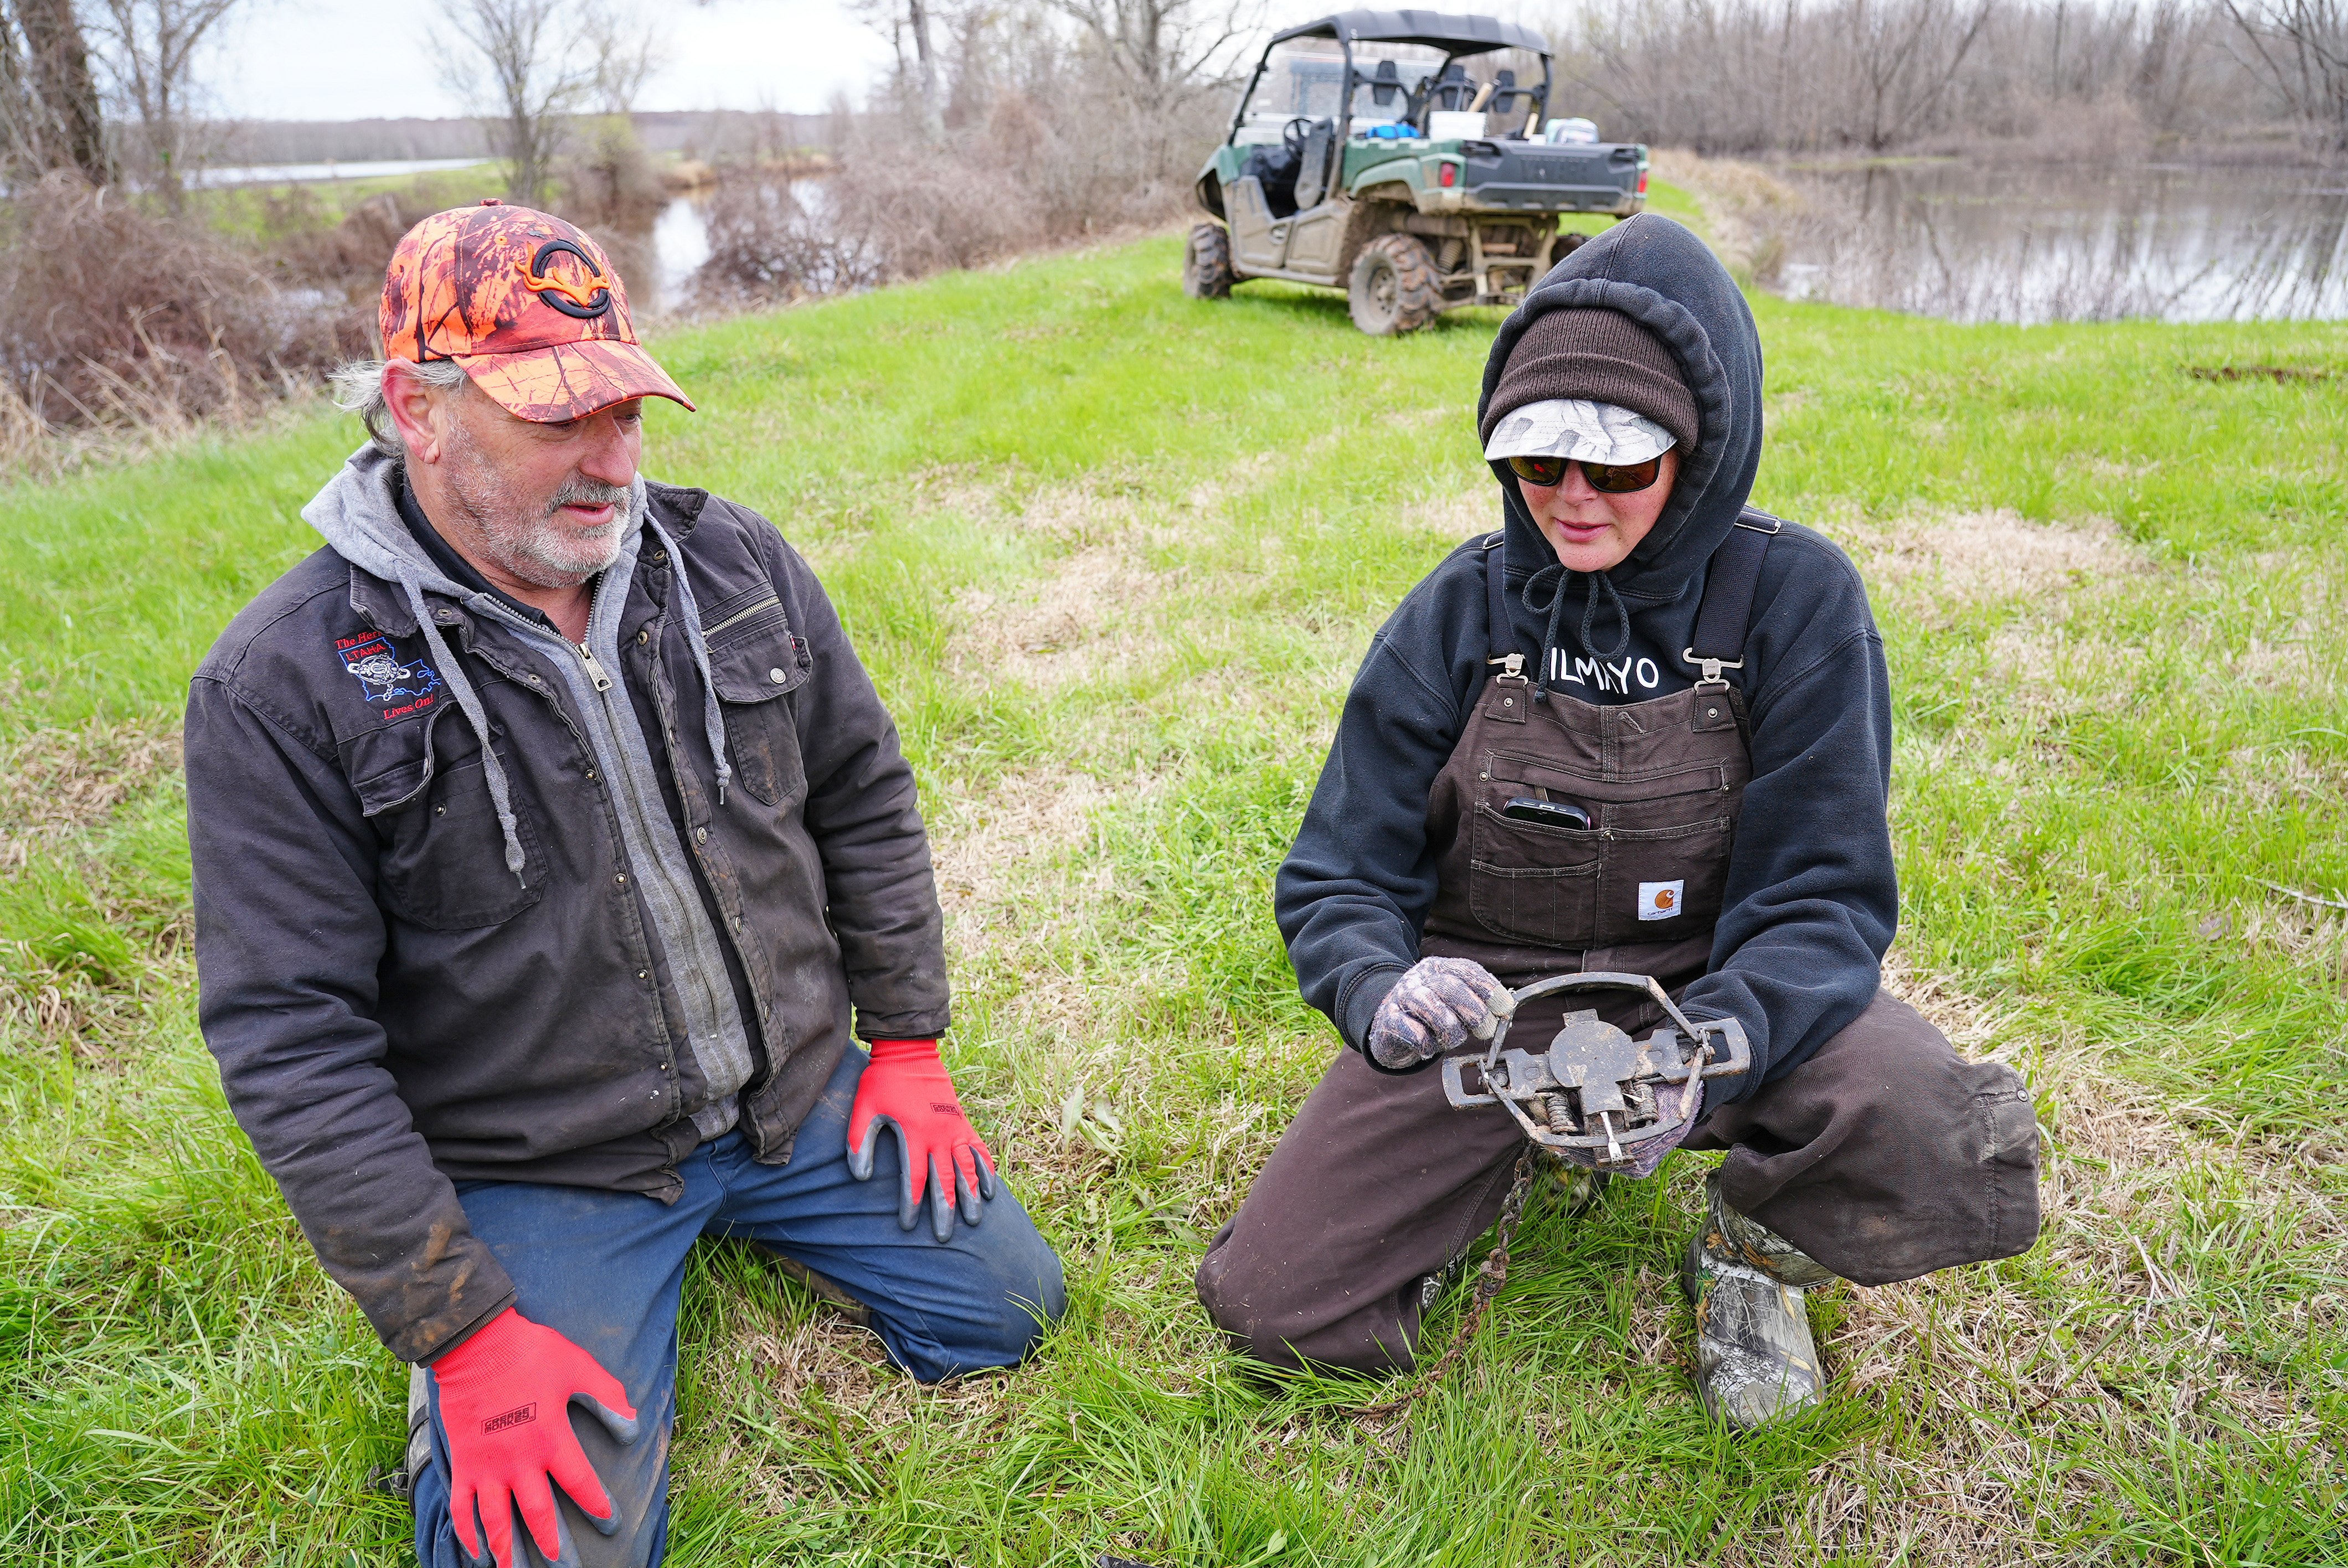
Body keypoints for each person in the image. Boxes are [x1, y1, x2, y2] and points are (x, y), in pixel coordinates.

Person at [184, 202, 1064, 1568]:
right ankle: (528, 1326)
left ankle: (751, 1214)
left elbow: (863, 796)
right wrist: (463, 1336)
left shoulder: (734, 564)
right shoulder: (288, 683)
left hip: (794, 1093)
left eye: (626, 413)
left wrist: (908, 1046)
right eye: (555, 422)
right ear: (418, 409)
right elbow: (292, 1043)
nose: (610, 463)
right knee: (545, 1552)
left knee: (1005, 1315)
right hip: (551, 1164)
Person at [1194, 214, 2039, 1427]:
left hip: (1709, 997)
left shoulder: (1796, 601)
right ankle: (1496, 1160)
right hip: (1493, 1018)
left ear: (1698, 457)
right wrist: (1380, 989)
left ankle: (1751, 1252)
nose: (1570, 503)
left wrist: (1700, 1052)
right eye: (1538, 467)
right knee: (1274, 1311)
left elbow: (1822, 899)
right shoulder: (1453, 609)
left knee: (1929, 1133)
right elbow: (1336, 872)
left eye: (1619, 469)